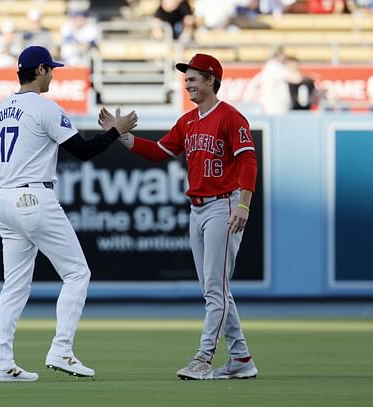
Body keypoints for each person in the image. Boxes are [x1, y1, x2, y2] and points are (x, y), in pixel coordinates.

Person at [98, 53, 259, 381]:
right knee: (214, 289)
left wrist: (243, 204)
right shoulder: (188, 121)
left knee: (215, 288)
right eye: (186, 80)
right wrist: (119, 135)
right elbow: (159, 151)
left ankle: (203, 358)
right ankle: (241, 358)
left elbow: (248, 162)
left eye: (194, 79)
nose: (188, 84)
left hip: (223, 206)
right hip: (197, 208)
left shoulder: (230, 117)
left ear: (211, 80)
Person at [0, 46, 137, 382]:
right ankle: (61, 349)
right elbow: (83, 152)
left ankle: (1, 361)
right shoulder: (45, 108)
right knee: (77, 273)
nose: (53, 74)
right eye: (50, 69)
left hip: (4, 199)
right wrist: (117, 130)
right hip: (34, 197)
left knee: (13, 286)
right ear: (40, 70)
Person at [259, 46, 291, 115]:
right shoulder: (274, 66)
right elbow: (293, 78)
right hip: (275, 105)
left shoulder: (271, 65)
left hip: (273, 104)